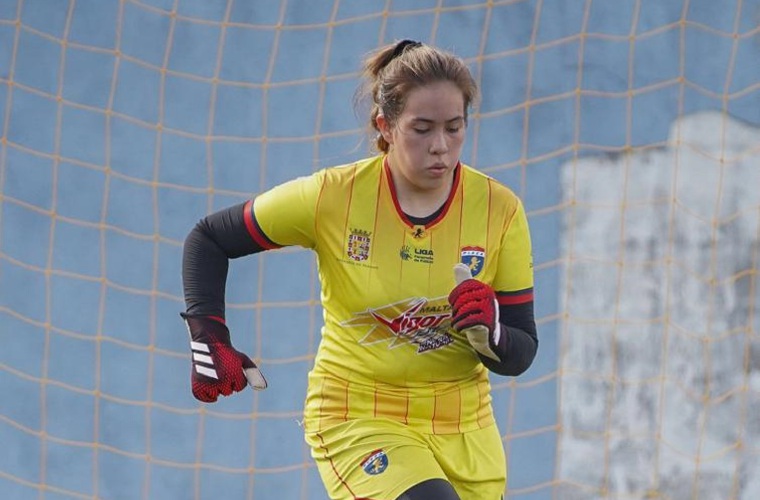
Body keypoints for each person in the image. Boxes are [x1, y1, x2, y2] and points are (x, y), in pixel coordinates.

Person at [181, 39, 538, 500]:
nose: (441, 147)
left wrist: (493, 335)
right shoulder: (333, 197)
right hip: (358, 415)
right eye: (422, 129)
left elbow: (522, 351)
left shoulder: (500, 210)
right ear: (384, 125)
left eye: (454, 128)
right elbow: (208, 238)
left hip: (464, 426)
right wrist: (209, 335)